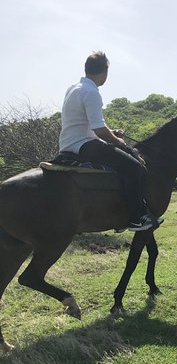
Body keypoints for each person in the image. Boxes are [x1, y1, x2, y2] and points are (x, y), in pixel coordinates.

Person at [59, 51, 157, 231]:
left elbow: (87, 124)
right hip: (85, 145)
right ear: (104, 73)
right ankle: (136, 218)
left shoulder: (73, 88)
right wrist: (119, 142)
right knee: (134, 166)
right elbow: (99, 131)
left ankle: (120, 215)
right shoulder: (91, 92)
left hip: (68, 143)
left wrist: (112, 132)